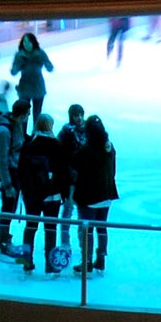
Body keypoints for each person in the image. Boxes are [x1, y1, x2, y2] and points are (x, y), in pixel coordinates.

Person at [18, 112, 70, 273]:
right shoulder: (57, 146)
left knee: (30, 227)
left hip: (32, 196)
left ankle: (27, 261)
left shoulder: (29, 145)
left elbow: (22, 171)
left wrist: (26, 192)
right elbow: (63, 173)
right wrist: (65, 193)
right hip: (52, 196)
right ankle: (51, 265)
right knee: (50, 230)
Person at [71, 115, 118, 275]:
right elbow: (113, 170)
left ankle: (87, 261)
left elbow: (74, 166)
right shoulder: (110, 147)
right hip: (107, 195)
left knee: (87, 230)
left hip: (89, 197)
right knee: (102, 227)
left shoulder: (86, 150)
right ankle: (101, 258)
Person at [0, 99, 31, 255]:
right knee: (7, 208)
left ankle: (4, 237)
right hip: (10, 174)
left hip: (16, 172)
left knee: (10, 208)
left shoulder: (17, 126)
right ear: (22, 114)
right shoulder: (4, 131)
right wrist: (7, 184)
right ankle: (2, 240)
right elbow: (2, 160)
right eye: (28, 114)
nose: (29, 116)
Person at [57, 104, 89, 248]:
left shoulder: (89, 131)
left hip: (84, 178)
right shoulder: (66, 131)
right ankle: (65, 243)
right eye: (76, 115)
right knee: (68, 211)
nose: (79, 118)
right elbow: (58, 150)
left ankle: (84, 244)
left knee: (83, 213)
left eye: (81, 114)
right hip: (70, 179)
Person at [10, 32, 53, 113]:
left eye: (29, 42)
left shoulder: (40, 53)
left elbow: (50, 68)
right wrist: (19, 64)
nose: (27, 44)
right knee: (22, 115)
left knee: (37, 114)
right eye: (24, 42)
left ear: (33, 42)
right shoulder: (19, 55)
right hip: (24, 88)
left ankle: (36, 126)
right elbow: (13, 72)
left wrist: (44, 62)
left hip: (38, 87)